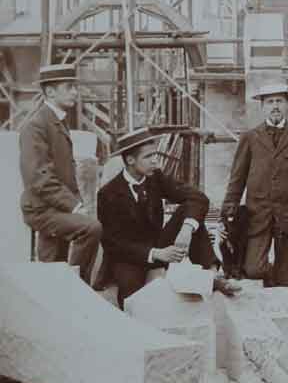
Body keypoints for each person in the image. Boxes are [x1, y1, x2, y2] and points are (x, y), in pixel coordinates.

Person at [97, 128, 237, 308]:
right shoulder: (108, 194)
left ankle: (212, 274)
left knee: (190, 212)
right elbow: (113, 243)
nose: (155, 160)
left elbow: (198, 197)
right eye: (148, 157)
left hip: (159, 243)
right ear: (130, 160)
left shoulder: (155, 177)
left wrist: (186, 230)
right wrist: (157, 254)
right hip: (129, 256)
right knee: (133, 301)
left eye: (155, 154)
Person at [220, 81, 288, 295]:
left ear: (287, 105)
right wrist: (228, 213)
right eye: (270, 102)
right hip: (258, 216)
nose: (275, 106)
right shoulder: (250, 137)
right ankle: (269, 292)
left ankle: (283, 320)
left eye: (279, 101)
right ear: (262, 107)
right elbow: (236, 179)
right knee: (253, 268)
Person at [19, 64, 101, 284]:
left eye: (75, 86)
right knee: (90, 227)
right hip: (42, 208)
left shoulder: (56, 120)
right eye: (69, 86)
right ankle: (75, 285)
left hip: (54, 206)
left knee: (52, 264)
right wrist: (74, 206)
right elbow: (38, 178)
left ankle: (59, 290)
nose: (75, 91)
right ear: (50, 92)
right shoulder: (35, 126)